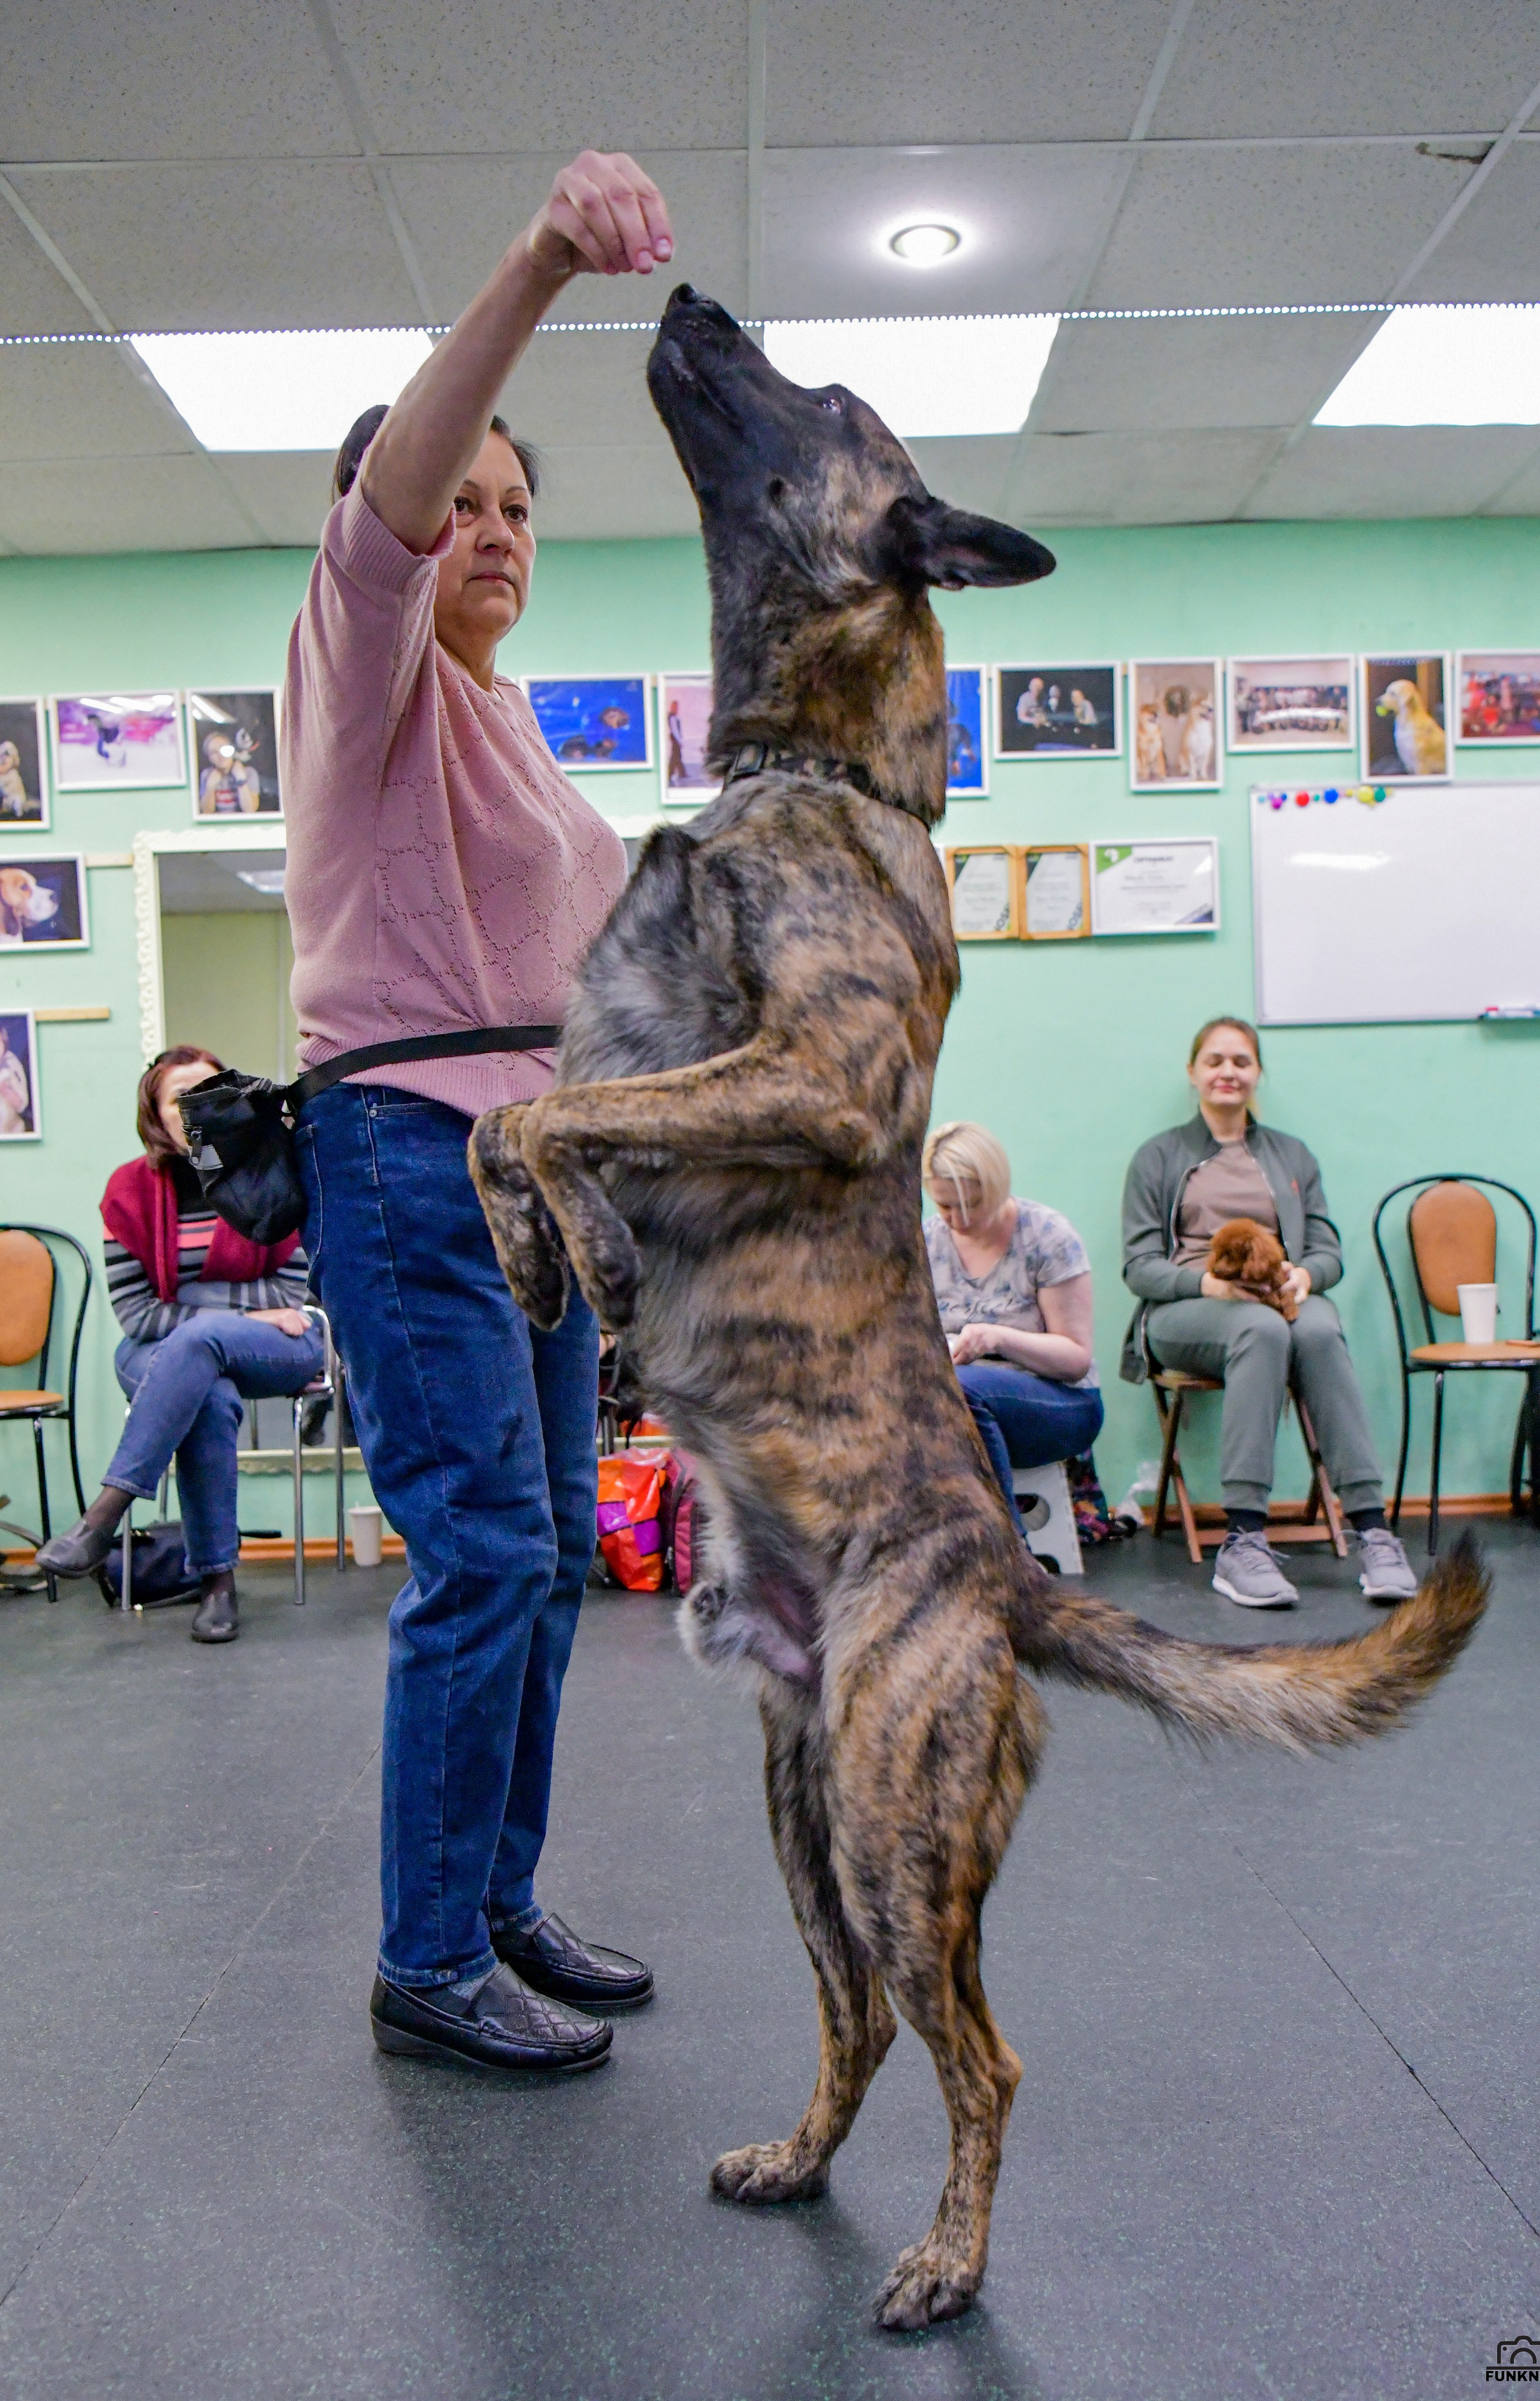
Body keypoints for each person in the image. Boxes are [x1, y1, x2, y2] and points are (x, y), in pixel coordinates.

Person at [282, 150, 674, 2080]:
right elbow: (387, 511)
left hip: (538, 1180)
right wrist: (537, 257)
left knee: (551, 1558)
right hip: (406, 1146)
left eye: (524, 508)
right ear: (406, 521)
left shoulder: (517, 726)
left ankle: (495, 1900)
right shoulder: (362, 675)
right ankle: (423, 1952)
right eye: (467, 503)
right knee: (486, 1554)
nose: (494, 529)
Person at [1121, 1015, 1416, 1609]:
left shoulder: (1290, 1154)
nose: (1228, 1072)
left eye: (1241, 1061)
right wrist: (1207, 1284)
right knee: (1258, 1327)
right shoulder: (1158, 1156)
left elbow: (1328, 1249)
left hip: (1279, 1295)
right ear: (1193, 1073)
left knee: (1322, 1329)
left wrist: (1307, 1276)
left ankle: (1374, 1529)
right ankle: (1243, 1541)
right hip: (1185, 1309)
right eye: (1215, 1061)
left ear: (1258, 1074)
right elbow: (1138, 1267)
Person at [36, 1045, 322, 1643]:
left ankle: (101, 1518)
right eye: (180, 1097)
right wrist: (245, 1311)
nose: (197, 1108)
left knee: (200, 1344)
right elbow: (137, 1314)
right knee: (207, 1393)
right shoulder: (127, 1192)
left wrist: (223, 1317)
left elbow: (294, 1293)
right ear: (156, 1116)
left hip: (282, 1347)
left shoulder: (268, 1170)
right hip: (164, 1348)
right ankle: (217, 1584)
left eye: (210, 1092)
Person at [922, 1121, 1104, 1523]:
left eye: (971, 1205)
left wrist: (996, 1338)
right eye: (944, 1205)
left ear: (997, 1186)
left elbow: (1075, 1360)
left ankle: (1007, 1553)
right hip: (963, 1400)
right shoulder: (928, 1243)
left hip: (1063, 1403)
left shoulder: (1049, 1237)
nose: (957, 1219)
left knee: (961, 1389)